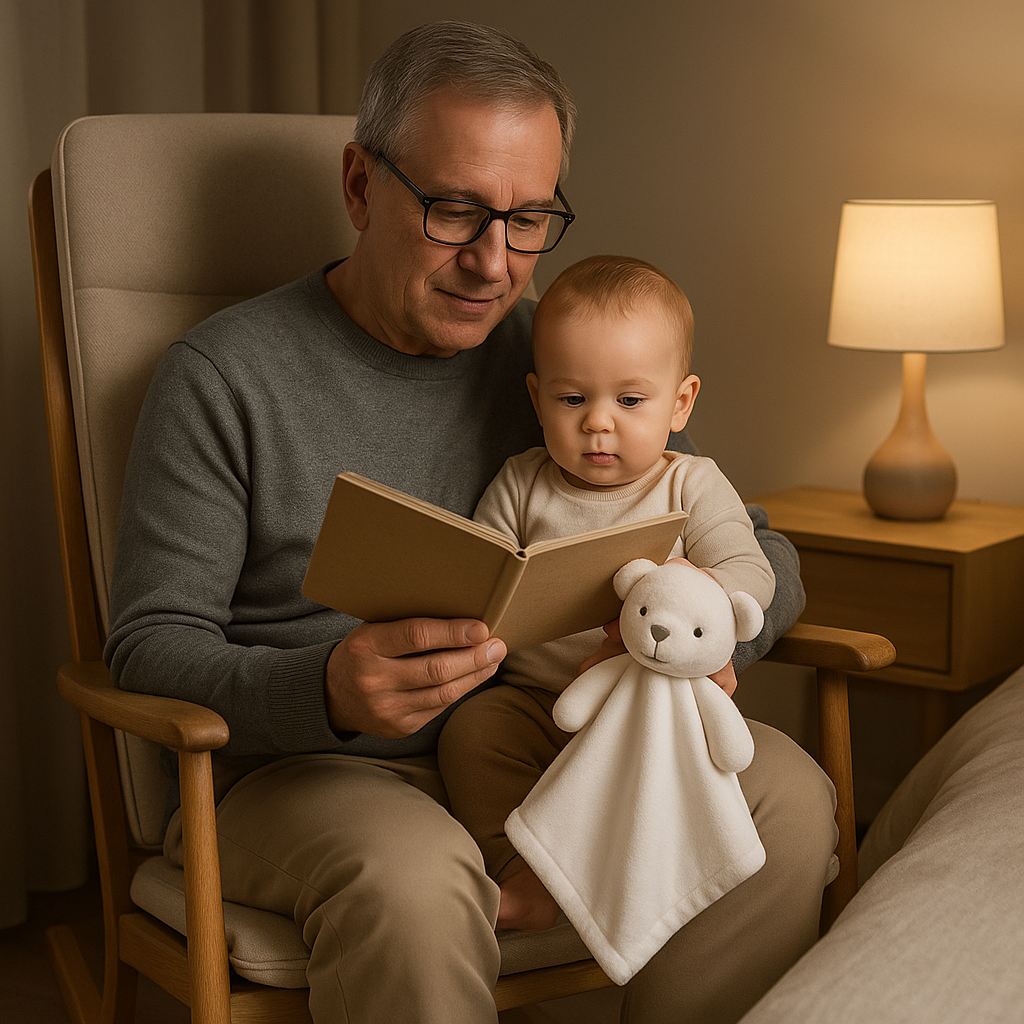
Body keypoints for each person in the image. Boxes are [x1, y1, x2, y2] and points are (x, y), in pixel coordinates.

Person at [104, 20, 838, 1024]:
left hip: (553, 742)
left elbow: (753, 542)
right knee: (418, 875)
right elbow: (147, 648)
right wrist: (323, 688)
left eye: (530, 217)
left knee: (785, 797)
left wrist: (714, 625)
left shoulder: (556, 360)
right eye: (455, 210)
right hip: (302, 774)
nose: (495, 262)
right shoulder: (222, 378)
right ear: (361, 187)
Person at [438, 253, 777, 932]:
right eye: (572, 399)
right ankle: (522, 875)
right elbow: (476, 576)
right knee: (473, 736)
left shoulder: (691, 485)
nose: (598, 422)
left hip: (654, 705)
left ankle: (645, 872)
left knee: (686, 776)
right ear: (536, 399)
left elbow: (752, 573)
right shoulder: (522, 482)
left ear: (680, 403)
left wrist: (696, 593)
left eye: (629, 400)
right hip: (533, 700)